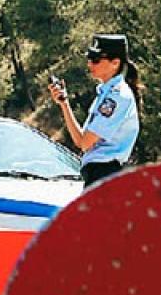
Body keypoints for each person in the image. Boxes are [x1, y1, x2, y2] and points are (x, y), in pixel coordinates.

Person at [49, 33, 142, 188]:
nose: (90, 64)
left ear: (115, 63)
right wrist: (64, 103)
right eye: (89, 59)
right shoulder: (105, 94)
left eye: (96, 60)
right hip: (97, 174)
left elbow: (85, 143)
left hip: (105, 174)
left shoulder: (117, 97)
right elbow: (80, 141)